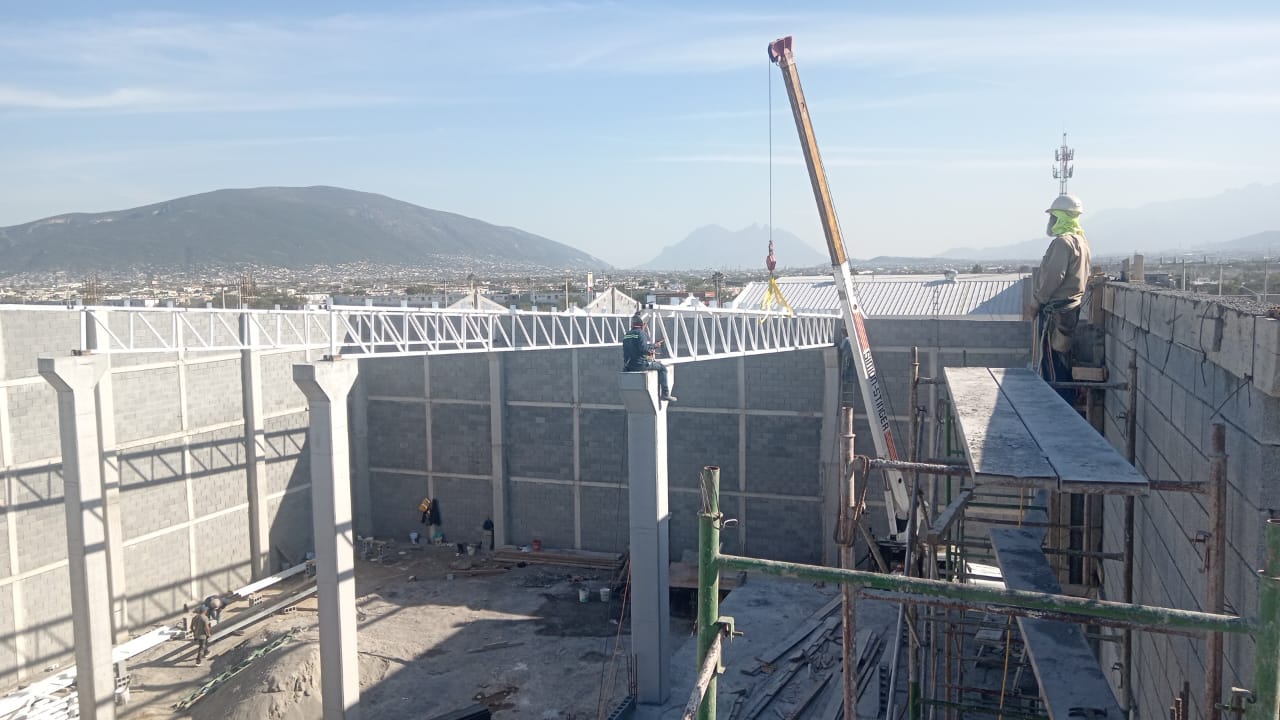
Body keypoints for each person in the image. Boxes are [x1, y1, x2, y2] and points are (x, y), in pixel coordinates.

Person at [1032, 193, 1091, 402]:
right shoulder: (1081, 242)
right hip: (1070, 309)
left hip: (1056, 312)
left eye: (1053, 217)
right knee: (1061, 359)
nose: (1050, 222)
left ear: (1060, 217)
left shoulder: (1062, 243)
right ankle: (1063, 400)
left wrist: (1038, 301)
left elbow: (1052, 277)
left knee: (1052, 363)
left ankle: (1057, 405)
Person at [622, 312, 675, 402]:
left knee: (651, 362)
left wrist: (649, 349)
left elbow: (632, 349)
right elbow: (643, 349)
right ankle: (665, 394)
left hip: (629, 366)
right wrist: (654, 346)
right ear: (643, 324)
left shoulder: (627, 334)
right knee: (662, 368)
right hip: (640, 365)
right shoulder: (640, 333)